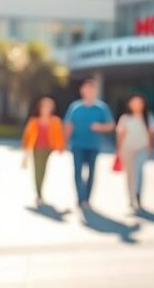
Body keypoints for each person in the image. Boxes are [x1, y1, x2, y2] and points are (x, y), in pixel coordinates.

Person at [64, 78, 115, 209]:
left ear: (95, 91)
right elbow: (68, 125)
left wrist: (100, 127)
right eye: (86, 88)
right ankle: (81, 199)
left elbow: (111, 125)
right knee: (77, 172)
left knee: (91, 173)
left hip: (94, 146)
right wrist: (64, 142)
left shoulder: (102, 108)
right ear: (82, 90)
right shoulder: (75, 107)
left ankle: (87, 198)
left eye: (91, 89)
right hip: (77, 145)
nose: (88, 91)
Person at [20, 96, 65, 205]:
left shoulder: (55, 121)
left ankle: (40, 192)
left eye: (49, 106)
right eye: (44, 106)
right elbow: (26, 137)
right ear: (40, 108)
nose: (46, 108)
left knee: (43, 170)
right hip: (37, 149)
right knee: (37, 171)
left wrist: (61, 148)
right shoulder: (33, 121)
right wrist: (25, 154)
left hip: (49, 149)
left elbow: (59, 136)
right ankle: (39, 194)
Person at [116, 94, 154, 210]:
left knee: (137, 171)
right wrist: (118, 148)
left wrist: (150, 146)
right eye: (134, 102)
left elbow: (151, 133)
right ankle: (131, 197)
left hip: (142, 148)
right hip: (127, 149)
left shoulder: (148, 117)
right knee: (130, 174)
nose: (137, 105)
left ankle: (138, 194)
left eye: (139, 102)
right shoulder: (125, 118)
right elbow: (120, 134)